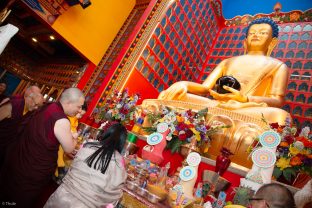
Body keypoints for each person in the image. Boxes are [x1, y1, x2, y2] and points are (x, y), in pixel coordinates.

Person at [157, 18, 289, 125]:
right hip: (217, 105)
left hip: (246, 110)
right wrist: (183, 84)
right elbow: (205, 88)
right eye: (252, 32)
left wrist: (245, 98)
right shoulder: (227, 62)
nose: (256, 35)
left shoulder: (278, 66)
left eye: (262, 33)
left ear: (273, 42)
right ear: (245, 41)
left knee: (280, 117)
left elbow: (277, 100)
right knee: (171, 95)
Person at [0, 87, 85, 208]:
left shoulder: (48, 106)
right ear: (69, 103)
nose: (79, 110)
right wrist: (75, 136)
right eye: (79, 106)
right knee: (18, 200)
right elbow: (70, 149)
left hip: (18, 161)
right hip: (31, 172)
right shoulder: (62, 120)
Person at [44, 123, 127, 208]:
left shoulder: (88, 145)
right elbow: (115, 192)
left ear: (106, 133)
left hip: (61, 196)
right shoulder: (119, 162)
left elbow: (73, 167)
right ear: (122, 143)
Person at [0, 85, 44, 168]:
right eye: (36, 105)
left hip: (7, 145)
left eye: (38, 107)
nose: (35, 108)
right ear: (29, 98)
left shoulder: (29, 111)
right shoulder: (13, 105)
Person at [55, 101, 88, 182]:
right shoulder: (68, 118)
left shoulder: (75, 120)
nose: (80, 116)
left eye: (82, 115)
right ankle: (59, 165)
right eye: (79, 114)